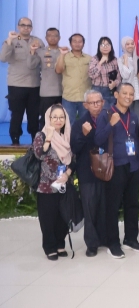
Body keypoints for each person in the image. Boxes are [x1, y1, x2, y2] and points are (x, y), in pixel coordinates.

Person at [95, 82, 139, 258]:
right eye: (125, 93)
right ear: (116, 95)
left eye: (131, 94)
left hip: (132, 166)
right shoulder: (106, 114)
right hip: (114, 166)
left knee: (132, 204)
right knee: (113, 206)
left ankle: (131, 239)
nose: (128, 97)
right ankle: (113, 243)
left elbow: (136, 142)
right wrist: (110, 124)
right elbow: (98, 140)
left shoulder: (134, 115)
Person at [33, 104, 74, 260]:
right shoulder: (41, 135)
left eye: (61, 117)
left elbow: (74, 159)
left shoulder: (67, 136)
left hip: (64, 184)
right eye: (54, 117)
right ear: (48, 118)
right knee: (48, 218)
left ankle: (60, 244)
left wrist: (67, 174)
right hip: (47, 186)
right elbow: (39, 154)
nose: (58, 120)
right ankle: (49, 247)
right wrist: (49, 137)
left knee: (63, 217)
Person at [70, 89, 107, 257]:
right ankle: (91, 244)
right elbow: (75, 148)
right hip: (87, 171)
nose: (96, 105)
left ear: (103, 103)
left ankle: (104, 238)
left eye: (98, 102)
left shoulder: (108, 119)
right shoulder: (79, 124)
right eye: (92, 103)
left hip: (106, 169)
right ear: (85, 105)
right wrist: (84, 135)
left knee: (104, 206)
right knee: (90, 207)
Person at [1, 17, 44, 145]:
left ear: (32, 28)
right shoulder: (12, 40)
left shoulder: (38, 41)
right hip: (16, 84)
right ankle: (15, 140)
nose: (26, 28)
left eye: (29, 25)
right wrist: (9, 40)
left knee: (34, 115)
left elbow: (43, 60)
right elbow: (3, 58)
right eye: (23, 25)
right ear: (18, 27)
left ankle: (35, 140)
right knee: (16, 114)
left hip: (34, 84)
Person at [56, 33, 92, 125]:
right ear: (70, 43)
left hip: (85, 97)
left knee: (86, 123)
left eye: (80, 41)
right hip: (69, 97)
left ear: (83, 44)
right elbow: (58, 70)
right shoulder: (64, 56)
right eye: (74, 41)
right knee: (69, 123)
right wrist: (62, 54)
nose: (77, 44)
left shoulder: (89, 58)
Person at [38, 28, 63, 128]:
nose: (52, 38)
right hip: (46, 92)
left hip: (62, 92)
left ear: (59, 38)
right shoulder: (40, 52)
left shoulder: (64, 52)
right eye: (50, 36)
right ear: (46, 38)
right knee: (46, 119)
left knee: (61, 120)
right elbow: (32, 67)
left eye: (55, 36)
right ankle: (44, 137)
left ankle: (60, 138)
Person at [88, 37, 120, 111]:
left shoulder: (114, 60)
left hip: (111, 90)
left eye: (107, 45)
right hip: (97, 89)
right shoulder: (94, 59)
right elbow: (91, 75)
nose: (105, 47)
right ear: (99, 47)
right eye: (102, 45)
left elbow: (119, 76)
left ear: (111, 47)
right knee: (98, 112)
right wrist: (100, 62)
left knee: (111, 112)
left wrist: (115, 83)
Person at [118, 37, 139, 116]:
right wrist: (125, 60)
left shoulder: (138, 59)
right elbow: (125, 75)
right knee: (126, 116)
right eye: (127, 44)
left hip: (138, 93)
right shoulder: (120, 59)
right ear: (123, 46)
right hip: (127, 93)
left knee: (137, 117)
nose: (130, 46)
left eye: (132, 44)